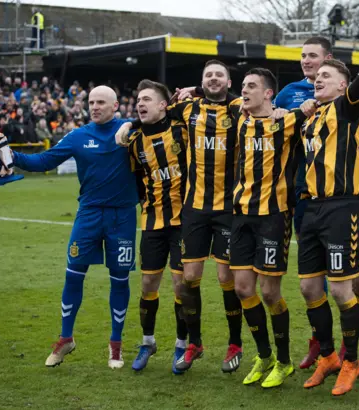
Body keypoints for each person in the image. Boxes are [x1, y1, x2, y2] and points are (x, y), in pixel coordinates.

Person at [0, 86, 138, 369]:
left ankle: (116, 345)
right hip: (89, 215)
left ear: (116, 105)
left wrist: (133, 124)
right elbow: (43, 160)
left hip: (123, 217)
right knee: (73, 276)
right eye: (91, 102)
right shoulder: (78, 135)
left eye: (101, 102)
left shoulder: (131, 132)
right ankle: (65, 338)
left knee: (119, 280)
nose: (94, 107)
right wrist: (11, 155)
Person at [116, 61, 245, 375]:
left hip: (224, 209)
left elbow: (262, 103)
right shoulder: (180, 115)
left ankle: (226, 342)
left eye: (219, 75)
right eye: (206, 75)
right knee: (175, 281)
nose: (213, 79)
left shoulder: (237, 107)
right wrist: (130, 123)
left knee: (225, 279)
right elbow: (151, 121)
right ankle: (171, 342)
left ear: (229, 80)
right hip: (182, 214)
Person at [296, 19, 359, 397]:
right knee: (307, 288)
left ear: (342, 85)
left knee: (339, 290)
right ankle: (329, 356)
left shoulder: (346, 108)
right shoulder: (311, 116)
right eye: (316, 76)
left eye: (326, 76)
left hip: (341, 209)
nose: (318, 79)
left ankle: (351, 360)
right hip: (312, 209)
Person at [230, 68, 306, 388]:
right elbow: (213, 91)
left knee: (270, 291)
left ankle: (285, 361)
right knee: (243, 288)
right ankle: (264, 356)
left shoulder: (288, 120)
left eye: (251, 86)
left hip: (274, 215)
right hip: (241, 214)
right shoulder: (238, 115)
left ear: (268, 94)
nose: (244, 91)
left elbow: (320, 104)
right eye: (243, 86)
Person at [273, 35, 332, 370]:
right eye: (304, 56)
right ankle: (321, 344)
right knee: (313, 274)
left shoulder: (344, 91)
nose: (307, 61)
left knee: (348, 279)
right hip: (302, 193)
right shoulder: (289, 92)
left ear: (328, 58)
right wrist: (285, 112)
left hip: (343, 197)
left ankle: (357, 348)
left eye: (313, 55)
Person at [126, 80, 190, 374]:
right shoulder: (134, 140)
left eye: (148, 99)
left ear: (164, 104)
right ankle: (148, 341)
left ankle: (181, 343)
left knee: (181, 285)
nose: (141, 103)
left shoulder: (182, 130)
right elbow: (137, 178)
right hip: (152, 221)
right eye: (139, 99)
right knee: (148, 284)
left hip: (183, 220)